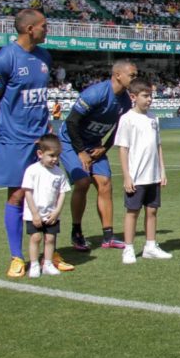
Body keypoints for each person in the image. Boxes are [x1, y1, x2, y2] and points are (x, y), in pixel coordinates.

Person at [0, 9, 71, 278]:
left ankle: (49, 252)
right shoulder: (3, 59)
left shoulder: (44, 56)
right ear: (30, 29)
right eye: (44, 26)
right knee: (17, 195)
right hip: (15, 139)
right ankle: (17, 257)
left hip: (41, 135)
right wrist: (11, 124)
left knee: (52, 191)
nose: (48, 29)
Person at [60, 59, 137, 251]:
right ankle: (76, 232)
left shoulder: (126, 101)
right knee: (82, 182)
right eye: (132, 75)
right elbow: (71, 122)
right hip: (71, 141)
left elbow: (121, 129)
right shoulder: (96, 93)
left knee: (105, 183)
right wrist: (80, 152)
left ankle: (108, 237)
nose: (135, 78)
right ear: (118, 75)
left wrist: (105, 147)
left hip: (94, 145)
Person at [115, 78, 170, 264]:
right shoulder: (127, 119)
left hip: (153, 174)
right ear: (133, 97)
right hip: (136, 176)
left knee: (152, 211)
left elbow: (158, 145)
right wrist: (127, 176)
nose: (149, 100)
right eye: (145, 96)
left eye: (151, 96)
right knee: (132, 211)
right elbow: (123, 148)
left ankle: (150, 246)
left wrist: (162, 170)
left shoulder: (154, 118)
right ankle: (128, 248)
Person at [20, 134, 71, 278]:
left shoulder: (59, 173)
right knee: (35, 238)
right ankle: (35, 264)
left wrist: (57, 212)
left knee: (50, 239)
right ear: (40, 154)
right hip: (34, 214)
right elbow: (28, 193)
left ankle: (47, 263)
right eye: (51, 155)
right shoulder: (32, 170)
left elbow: (62, 193)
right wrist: (35, 214)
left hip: (51, 214)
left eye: (57, 155)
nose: (55, 159)